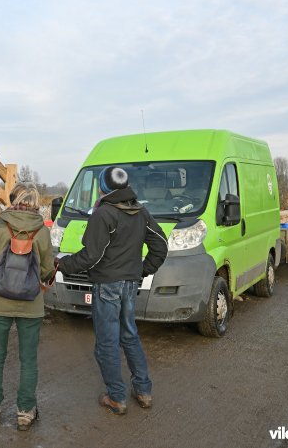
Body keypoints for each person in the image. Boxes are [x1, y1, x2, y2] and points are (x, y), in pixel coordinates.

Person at [58, 166, 168, 415]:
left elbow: (91, 257)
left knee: (107, 343)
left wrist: (62, 264)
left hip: (107, 284)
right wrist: (140, 270)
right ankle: (143, 391)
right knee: (129, 335)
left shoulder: (104, 213)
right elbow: (161, 246)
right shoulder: (140, 212)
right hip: (129, 284)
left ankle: (116, 397)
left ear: (104, 188)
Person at [0, 182, 55, 431]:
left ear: (13, 200)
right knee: (28, 359)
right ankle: (25, 412)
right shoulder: (42, 231)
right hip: (30, 304)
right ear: (35, 203)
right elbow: (46, 270)